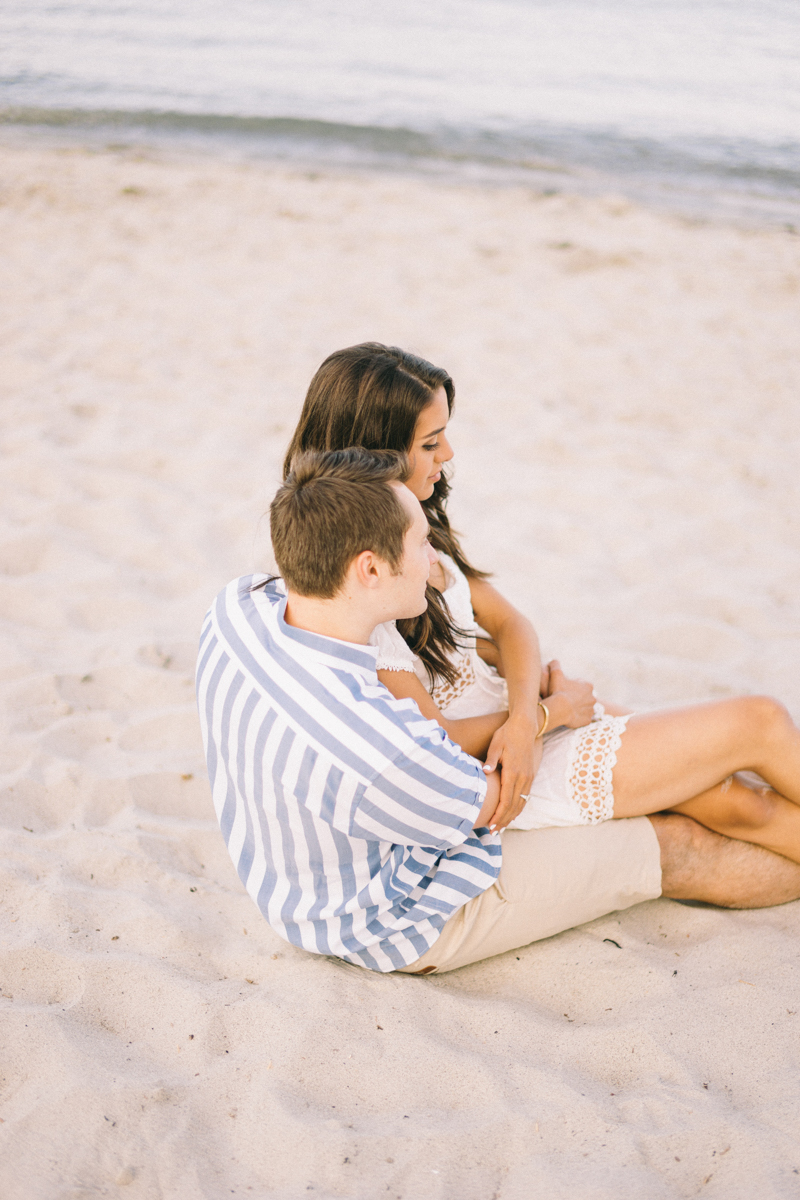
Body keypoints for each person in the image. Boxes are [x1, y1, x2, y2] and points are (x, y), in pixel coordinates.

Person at [197, 446, 800, 976]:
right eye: (418, 541)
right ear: (370, 569)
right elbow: (498, 798)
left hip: (301, 886)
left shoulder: (240, 607)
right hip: (396, 919)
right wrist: (547, 711)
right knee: (679, 839)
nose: (432, 551)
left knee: (691, 782)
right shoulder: (389, 753)